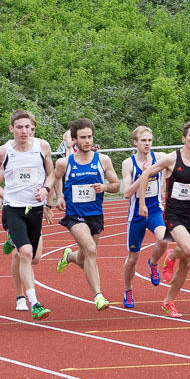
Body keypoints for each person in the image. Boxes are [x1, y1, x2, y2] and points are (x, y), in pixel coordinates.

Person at [137, 119, 190, 317]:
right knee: (188, 249)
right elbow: (147, 173)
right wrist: (141, 203)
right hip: (173, 213)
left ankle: (168, 301)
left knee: (188, 262)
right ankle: (170, 256)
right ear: (184, 138)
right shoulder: (172, 159)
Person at [0, 110, 56, 320]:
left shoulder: (42, 146)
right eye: (19, 127)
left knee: (34, 258)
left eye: (28, 127)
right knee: (25, 253)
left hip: (34, 208)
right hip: (14, 208)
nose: (24, 131)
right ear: (11, 129)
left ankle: (12, 239)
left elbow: (51, 173)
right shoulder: (3, 151)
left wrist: (46, 190)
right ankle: (34, 303)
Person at [53, 118, 120, 311]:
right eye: (83, 137)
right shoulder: (65, 162)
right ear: (74, 140)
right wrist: (59, 198)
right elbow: (56, 178)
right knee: (91, 250)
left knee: (83, 259)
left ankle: (69, 257)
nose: (87, 141)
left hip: (95, 214)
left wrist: (105, 186)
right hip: (75, 215)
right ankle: (98, 296)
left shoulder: (103, 160)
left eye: (90, 136)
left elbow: (116, 186)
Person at [121, 126, 169, 308]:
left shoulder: (160, 158)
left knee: (164, 239)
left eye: (149, 140)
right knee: (132, 258)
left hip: (155, 210)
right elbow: (126, 193)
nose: (147, 144)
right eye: (143, 140)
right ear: (135, 142)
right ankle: (128, 289)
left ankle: (153, 262)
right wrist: (143, 176)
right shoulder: (128, 163)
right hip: (136, 215)